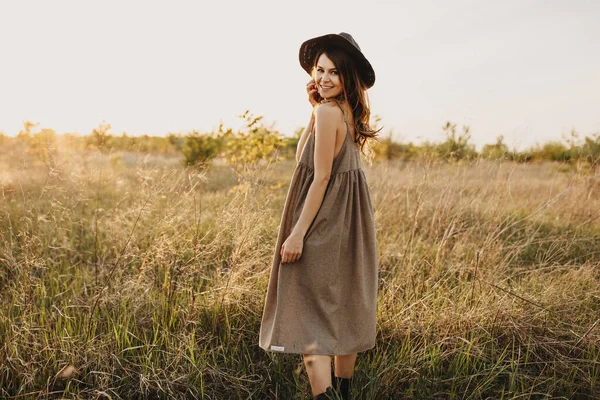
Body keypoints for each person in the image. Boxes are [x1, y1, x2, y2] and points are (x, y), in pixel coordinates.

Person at [259, 32, 379, 400]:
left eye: (333, 72)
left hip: (322, 225)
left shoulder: (329, 113)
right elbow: (305, 156)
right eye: (319, 70)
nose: (323, 78)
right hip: (349, 228)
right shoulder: (342, 113)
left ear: (347, 78)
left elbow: (319, 174)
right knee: (342, 312)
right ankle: (343, 392)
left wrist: (296, 235)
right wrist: (312, 113)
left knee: (310, 321)